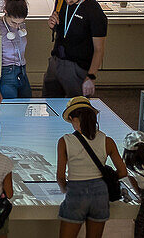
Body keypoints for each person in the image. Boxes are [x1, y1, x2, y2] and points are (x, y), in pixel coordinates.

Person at [57, 96, 129, 237]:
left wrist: (66, 189)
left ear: (72, 118)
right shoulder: (107, 141)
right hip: (100, 194)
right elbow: (123, 172)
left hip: (76, 193)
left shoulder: (64, 141)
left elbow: (60, 176)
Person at [44, 0, 107, 98]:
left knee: (75, 109)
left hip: (77, 67)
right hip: (56, 61)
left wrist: (91, 76)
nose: (68, 0)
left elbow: (99, 50)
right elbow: (59, 23)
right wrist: (52, 24)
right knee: (50, 103)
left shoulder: (94, 13)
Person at [0, 0, 31, 105]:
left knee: (26, 106)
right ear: (6, 12)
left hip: (22, 73)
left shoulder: (20, 27)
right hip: (6, 75)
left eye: (20, 23)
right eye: (13, 22)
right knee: (9, 109)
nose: (16, 26)